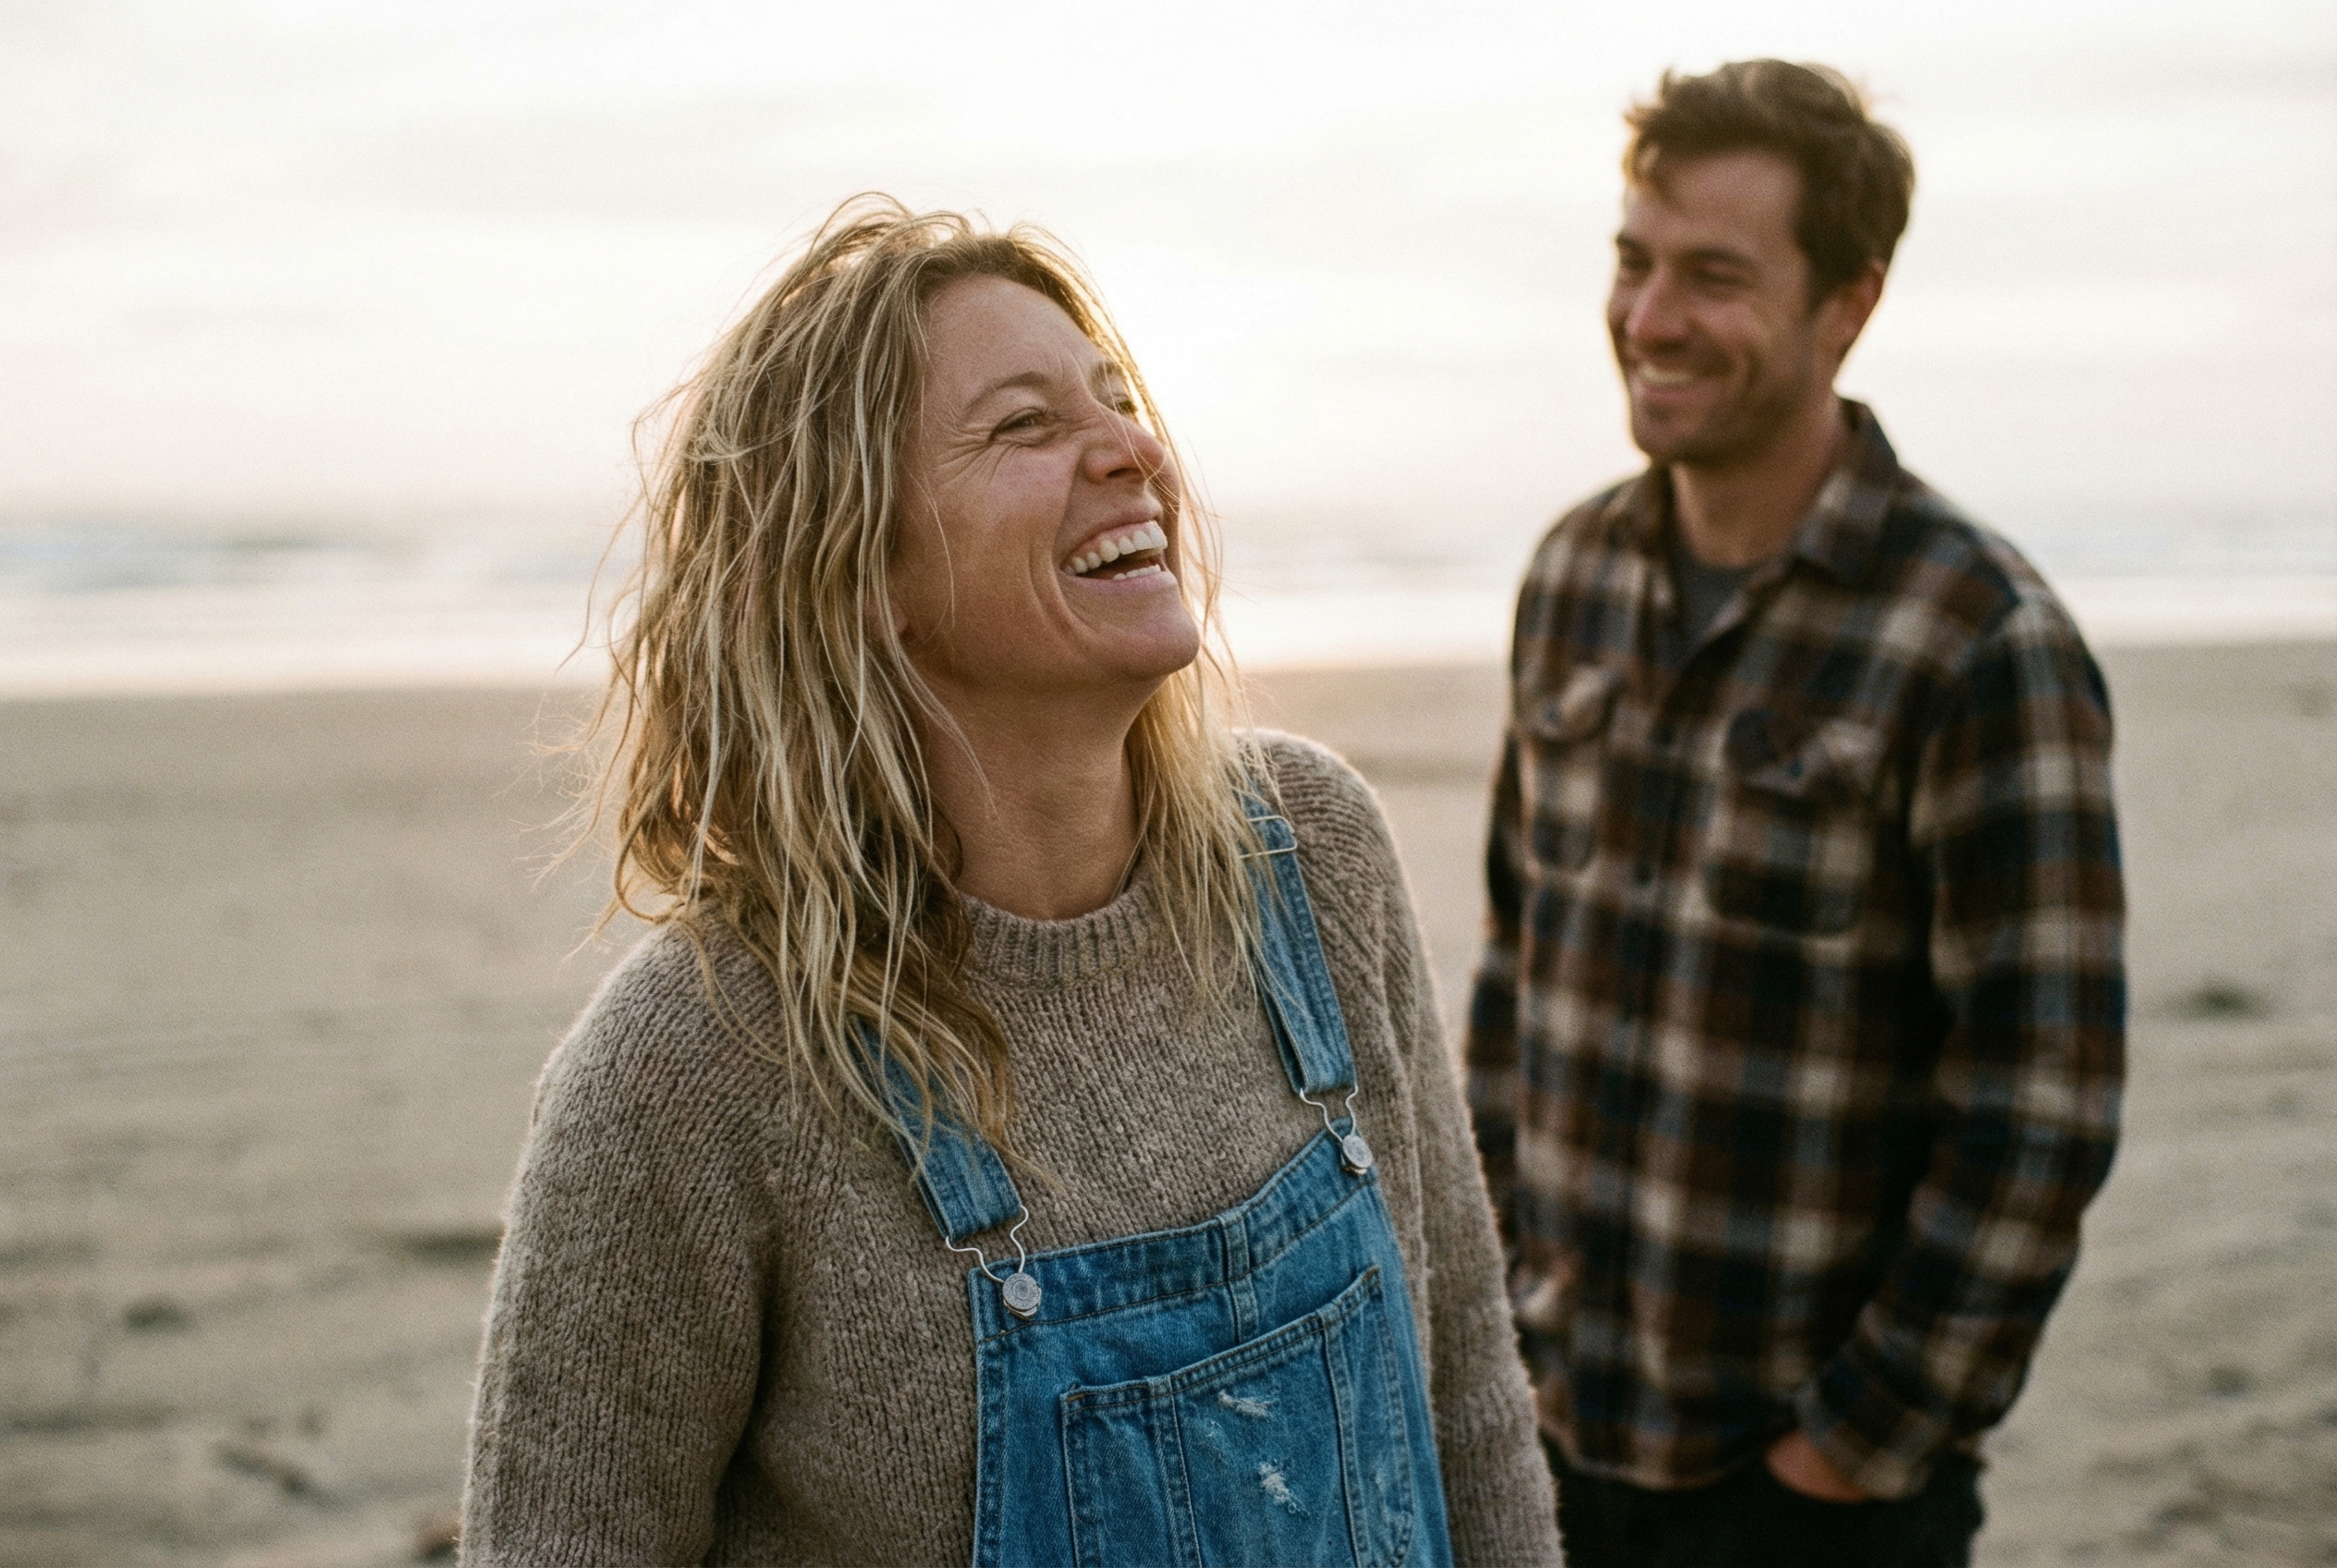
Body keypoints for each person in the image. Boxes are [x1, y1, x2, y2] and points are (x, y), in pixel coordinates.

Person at [458, 196, 1561, 1566]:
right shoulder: (693, 1070)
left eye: (1116, 400)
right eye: (1028, 426)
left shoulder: (1314, 853)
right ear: (862, 572)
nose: (1136, 451)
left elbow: (1467, 1405)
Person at [1463, 61, 2125, 1566]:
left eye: (1715, 275)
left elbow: (2043, 1104)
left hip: (1813, 1496)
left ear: (1849, 305)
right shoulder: (1569, 577)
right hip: (1553, 1439)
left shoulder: (1979, 638)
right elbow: (1515, 981)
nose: (1649, 317)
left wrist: (1855, 1444)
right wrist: (1491, 1331)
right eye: (1634, 262)